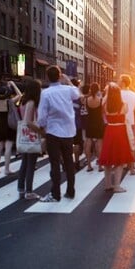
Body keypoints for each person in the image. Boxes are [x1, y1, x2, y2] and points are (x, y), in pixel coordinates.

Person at [37, 65, 80, 202]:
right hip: (68, 132)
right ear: (60, 75)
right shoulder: (68, 90)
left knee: (54, 163)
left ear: (47, 77)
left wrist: (42, 127)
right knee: (69, 162)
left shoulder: (46, 93)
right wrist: (67, 81)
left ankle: (56, 193)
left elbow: (42, 115)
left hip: (53, 131)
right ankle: (71, 190)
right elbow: (77, 93)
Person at [98, 83, 135, 193]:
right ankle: (117, 186)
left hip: (109, 131)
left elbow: (103, 107)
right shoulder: (124, 105)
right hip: (120, 132)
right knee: (119, 160)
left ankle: (108, 184)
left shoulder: (105, 105)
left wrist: (107, 94)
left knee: (108, 159)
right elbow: (126, 114)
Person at [16, 79, 43, 199]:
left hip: (24, 135)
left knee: (24, 163)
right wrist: (40, 131)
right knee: (31, 164)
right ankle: (29, 191)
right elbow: (28, 121)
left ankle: (21, 189)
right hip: (30, 135)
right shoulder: (31, 102)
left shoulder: (23, 101)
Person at [0, 82, 18, 175]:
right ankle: (7, 169)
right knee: (8, 147)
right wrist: (13, 85)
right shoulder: (10, 102)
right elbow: (20, 95)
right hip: (9, 125)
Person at [119, 74, 135, 175]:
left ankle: (122, 164)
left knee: (120, 145)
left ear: (123, 82)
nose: (118, 82)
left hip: (120, 123)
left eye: (119, 80)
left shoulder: (118, 93)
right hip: (131, 122)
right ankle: (132, 168)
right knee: (132, 145)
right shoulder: (134, 95)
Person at [84, 82, 105, 172]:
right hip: (98, 123)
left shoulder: (86, 100)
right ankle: (100, 166)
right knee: (99, 145)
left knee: (88, 143)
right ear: (98, 90)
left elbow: (86, 110)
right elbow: (102, 113)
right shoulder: (100, 100)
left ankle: (89, 165)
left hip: (89, 122)